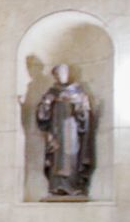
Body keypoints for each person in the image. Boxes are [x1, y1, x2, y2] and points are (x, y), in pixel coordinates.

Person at [35, 63, 96, 197]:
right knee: (56, 158)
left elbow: (85, 115)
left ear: (67, 74)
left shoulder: (78, 92)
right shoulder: (51, 92)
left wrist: (78, 105)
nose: (60, 76)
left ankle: (73, 186)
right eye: (57, 74)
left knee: (71, 155)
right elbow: (42, 116)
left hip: (71, 129)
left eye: (62, 73)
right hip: (56, 130)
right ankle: (56, 186)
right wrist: (46, 104)